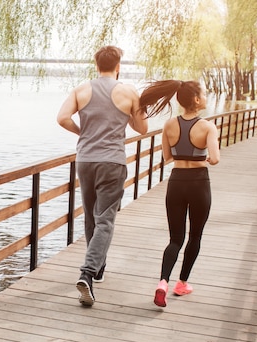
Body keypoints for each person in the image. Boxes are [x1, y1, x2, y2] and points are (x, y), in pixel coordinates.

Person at [57, 45, 148, 306]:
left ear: (96, 66)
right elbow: (142, 128)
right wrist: (128, 114)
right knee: (105, 219)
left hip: (85, 160)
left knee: (91, 217)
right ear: (118, 66)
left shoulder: (81, 90)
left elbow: (62, 118)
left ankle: (97, 270)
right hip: (112, 162)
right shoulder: (129, 92)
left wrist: (83, 133)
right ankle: (87, 272)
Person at [138, 80, 220, 307]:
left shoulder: (169, 124)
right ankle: (182, 283)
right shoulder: (208, 127)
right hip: (198, 184)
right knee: (195, 236)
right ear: (195, 99)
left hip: (175, 183)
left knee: (175, 239)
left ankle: (163, 282)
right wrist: (201, 155)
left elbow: (167, 157)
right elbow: (214, 159)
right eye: (203, 94)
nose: (205, 97)